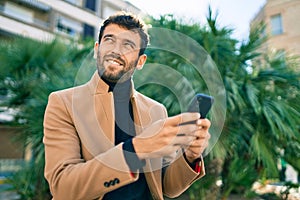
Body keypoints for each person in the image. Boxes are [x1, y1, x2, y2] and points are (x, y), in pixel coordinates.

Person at [43, 11, 211, 200]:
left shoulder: (157, 110)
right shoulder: (63, 102)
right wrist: (137, 148)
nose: (116, 50)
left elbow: (166, 187)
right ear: (96, 49)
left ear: (141, 61)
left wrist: (190, 155)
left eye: (128, 45)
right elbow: (63, 188)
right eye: (109, 40)